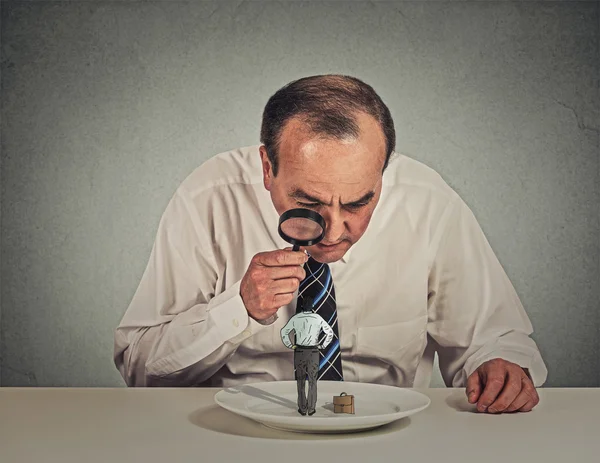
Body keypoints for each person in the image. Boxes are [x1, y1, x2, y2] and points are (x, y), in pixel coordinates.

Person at [114, 74, 548, 415]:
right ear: (268, 168)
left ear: (383, 172)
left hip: (390, 437)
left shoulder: (426, 200)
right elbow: (139, 369)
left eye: (360, 202)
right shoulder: (209, 197)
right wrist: (237, 309)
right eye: (308, 202)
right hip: (239, 437)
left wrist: (501, 368)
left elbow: (493, 339)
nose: (335, 232)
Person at [280, 295, 334, 415]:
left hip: (299, 351)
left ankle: (302, 408)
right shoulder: (317, 318)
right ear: (313, 306)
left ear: (302, 306)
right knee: (313, 381)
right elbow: (329, 332)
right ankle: (312, 408)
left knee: (300, 381)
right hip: (314, 352)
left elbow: (284, 331)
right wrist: (323, 345)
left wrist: (290, 345)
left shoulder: (296, 318)